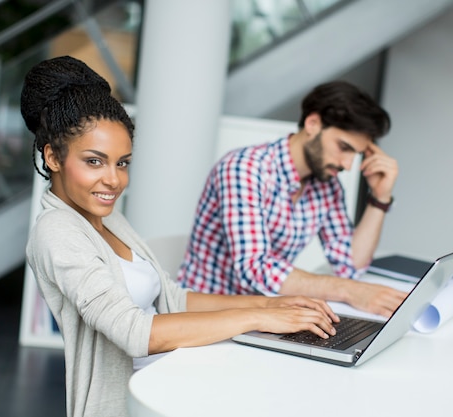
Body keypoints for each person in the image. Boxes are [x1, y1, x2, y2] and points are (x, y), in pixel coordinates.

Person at [20, 56, 339, 417]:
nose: (114, 180)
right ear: (53, 157)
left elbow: (173, 298)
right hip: (133, 403)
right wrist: (259, 319)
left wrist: (267, 304)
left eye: (122, 162)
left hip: (176, 378)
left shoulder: (105, 218)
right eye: (95, 161)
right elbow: (135, 333)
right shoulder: (56, 232)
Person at [178, 80, 408, 317]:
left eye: (356, 155)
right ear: (313, 123)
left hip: (266, 316)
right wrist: (351, 291)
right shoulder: (244, 169)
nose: (348, 165)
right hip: (206, 318)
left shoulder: (327, 186)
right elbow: (255, 269)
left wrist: (379, 198)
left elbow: (349, 266)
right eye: (343, 147)